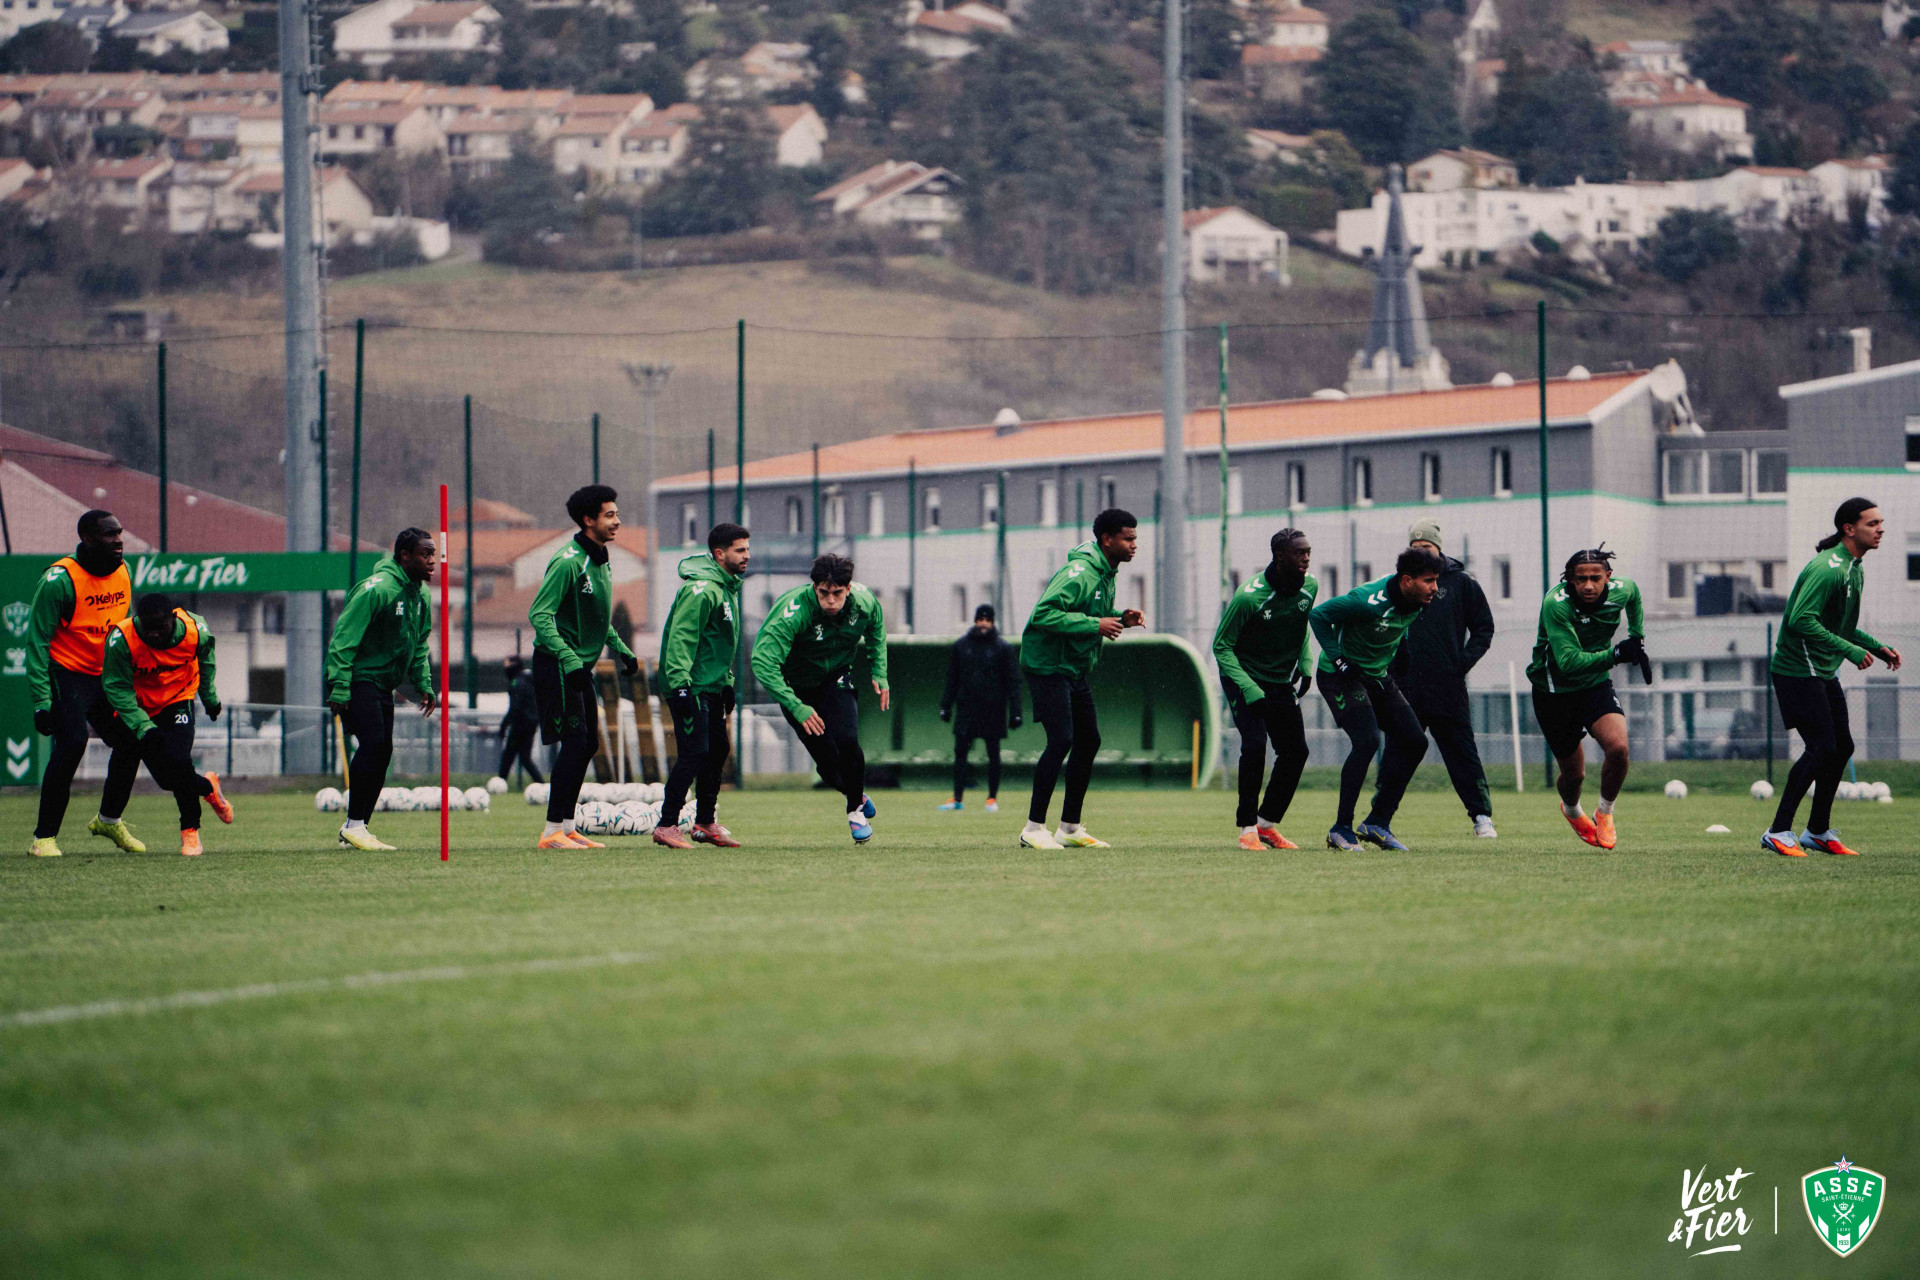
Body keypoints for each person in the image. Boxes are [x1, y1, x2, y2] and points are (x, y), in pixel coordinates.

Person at [1761, 498, 1900, 857]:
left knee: (1841, 749)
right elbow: (1801, 621)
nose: (1880, 528)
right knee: (1821, 747)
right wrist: (1851, 652)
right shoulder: (1829, 568)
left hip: (1820, 669)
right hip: (1797, 669)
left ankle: (1817, 832)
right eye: (1872, 523)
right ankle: (1777, 832)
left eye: (1881, 522)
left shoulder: (1854, 568)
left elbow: (1842, 626)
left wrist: (1876, 646)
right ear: (1849, 529)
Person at [1018, 508, 1144, 850]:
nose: (1134, 545)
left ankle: (1069, 828)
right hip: (1046, 664)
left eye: (1135, 538)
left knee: (1089, 741)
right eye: (1127, 538)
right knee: (1061, 740)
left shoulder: (1106, 572)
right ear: (1107, 539)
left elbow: (1088, 612)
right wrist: (1096, 625)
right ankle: (1033, 828)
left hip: (1072, 667)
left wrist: (1119, 617)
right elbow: (1043, 614)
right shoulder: (1081, 571)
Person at [27, 510, 146, 857]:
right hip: (67, 674)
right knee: (73, 742)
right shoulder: (59, 580)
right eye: (109, 535)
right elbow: (37, 642)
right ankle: (43, 838)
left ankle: (109, 820)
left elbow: (123, 630)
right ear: (88, 539)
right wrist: (41, 700)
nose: (119, 540)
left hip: (105, 677)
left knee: (131, 739)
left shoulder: (123, 570)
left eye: (120, 533)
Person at [529, 484, 642, 850]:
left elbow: (596, 620)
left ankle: (567, 826)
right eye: (610, 515)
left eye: (617, 514)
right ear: (588, 520)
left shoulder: (600, 560)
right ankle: (551, 835)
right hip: (558, 664)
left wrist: (623, 651)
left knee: (588, 743)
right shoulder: (568, 562)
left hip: (577, 666)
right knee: (576, 744)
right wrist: (569, 660)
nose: (617, 521)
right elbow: (540, 615)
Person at [1310, 546, 1445, 851]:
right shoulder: (1367, 601)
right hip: (1340, 676)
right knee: (1367, 741)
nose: (1435, 588)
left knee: (1415, 741)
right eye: (1429, 580)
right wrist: (1338, 659)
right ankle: (1340, 828)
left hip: (1377, 676)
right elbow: (1319, 616)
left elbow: (1398, 626)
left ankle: (1377, 822)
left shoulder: (1417, 600)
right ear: (1407, 580)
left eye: (1436, 580)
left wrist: (1403, 651)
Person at [750, 553, 888, 843]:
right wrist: (797, 707)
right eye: (823, 593)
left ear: (848, 589)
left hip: (837, 677)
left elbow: (876, 626)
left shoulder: (863, 601)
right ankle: (857, 794)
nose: (831, 601)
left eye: (837, 593)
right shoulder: (793, 611)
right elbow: (763, 663)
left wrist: (880, 671)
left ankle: (854, 812)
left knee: (848, 740)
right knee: (827, 761)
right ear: (814, 588)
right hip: (796, 690)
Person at [1527, 545, 1649, 851]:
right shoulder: (1556, 603)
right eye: (1580, 579)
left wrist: (1637, 637)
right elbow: (1568, 662)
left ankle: (1605, 813)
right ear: (1570, 579)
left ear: (1608, 577)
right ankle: (1571, 810)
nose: (1588, 585)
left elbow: (1634, 598)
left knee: (1619, 748)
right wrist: (1618, 653)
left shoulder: (1623, 589)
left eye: (1596, 578)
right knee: (1574, 774)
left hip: (1594, 685)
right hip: (1553, 691)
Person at [327, 528, 437, 851]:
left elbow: (418, 645)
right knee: (374, 744)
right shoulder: (378, 590)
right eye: (425, 554)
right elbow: (343, 638)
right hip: (357, 678)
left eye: (433, 554)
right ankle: (355, 827)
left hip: (382, 684)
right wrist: (340, 685)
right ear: (404, 556)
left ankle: (355, 829)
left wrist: (424, 684)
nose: (432, 561)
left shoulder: (422, 596)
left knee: (383, 751)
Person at [101, 594, 233, 856]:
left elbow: (206, 662)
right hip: (140, 710)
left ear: (173, 617)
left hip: (178, 699)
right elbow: (116, 688)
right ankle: (209, 787)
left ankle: (190, 832)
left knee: (180, 761)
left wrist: (209, 699)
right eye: (147, 627)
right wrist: (142, 725)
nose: (153, 634)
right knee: (166, 779)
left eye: (159, 627)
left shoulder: (196, 632)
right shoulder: (122, 639)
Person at [1391, 519, 1498, 838]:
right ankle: (1380, 819)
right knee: (1397, 753)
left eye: (1426, 547)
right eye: (1415, 547)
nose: (1421, 551)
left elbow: (1484, 628)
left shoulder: (1462, 584)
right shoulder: (1399, 584)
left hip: (1448, 688)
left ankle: (1482, 818)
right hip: (1404, 688)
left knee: (1462, 752)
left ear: (1438, 549)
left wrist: (1460, 664)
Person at [1214, 528, 1317, 851]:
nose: (1306, 558)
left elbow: (1299, 628)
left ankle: (1266, 825)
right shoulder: (1248, 596)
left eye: (1308, 551)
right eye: (1299, 552)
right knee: (1255, 744)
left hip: (1278, 681)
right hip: (1242, 678)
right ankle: (1247, 830)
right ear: (1279, 556)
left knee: (1295, 751)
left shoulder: (1310, 586)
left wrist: (1305, 662)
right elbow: (1221, 647)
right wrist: (1248, 687)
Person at [653, 522, 750, 850]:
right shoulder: (702, 589)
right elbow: (682, 637)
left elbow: (719, 645)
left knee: (718, 750)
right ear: (720, 554)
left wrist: (727, 682)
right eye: (740, 550)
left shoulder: (726, 588)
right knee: (694, 752)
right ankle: (666, 824)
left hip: (710, 686)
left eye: (747, 549)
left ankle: (705, 823)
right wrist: (680, 685)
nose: (746, 555)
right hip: (690, 686)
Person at [937, 604, 1023, 813]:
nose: (983, 623)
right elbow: (952, 679)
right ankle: (957, 798)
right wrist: (946, 706)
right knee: (960, 754)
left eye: (987, 620)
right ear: (975, 621)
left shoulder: (1003, 648)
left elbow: (1014, 682)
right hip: (966, 708)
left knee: (993, 754)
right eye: (980, 619)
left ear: (992, 622)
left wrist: (1016, 711)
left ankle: (992, 798)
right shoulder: (962, 646)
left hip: (993, 709)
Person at [496, 656, 544, 786]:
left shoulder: (517, 683)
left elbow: (515, 708)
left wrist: (504, 726)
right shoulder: (530, 680)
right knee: (524, 757)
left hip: (520, 725)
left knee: (509, 756)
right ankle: (541, 784)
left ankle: (500, 783)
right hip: (531, 724)